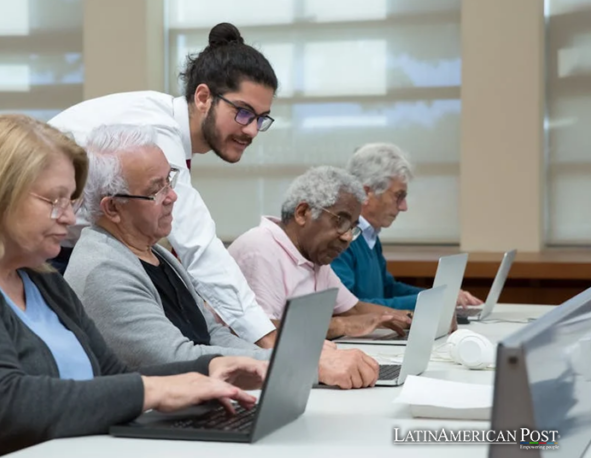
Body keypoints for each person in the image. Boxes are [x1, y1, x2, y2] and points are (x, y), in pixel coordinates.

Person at [0, 114, 268, 458]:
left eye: (71, 200)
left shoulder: (41, 279)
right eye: (54, 200)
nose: (69, 216)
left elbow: (111, 375)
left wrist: (207, 368)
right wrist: (150, 393)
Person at [63, 124, 380, 389]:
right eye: (156, 189)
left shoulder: (157, 254)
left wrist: (294, 357)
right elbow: (176, 357)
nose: (172, 196)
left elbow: (211, 332)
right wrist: (301, 365)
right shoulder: (102, 270)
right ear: (113, 208)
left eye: (169, 180)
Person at [48, 22, 279, 348]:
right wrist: (270, 340)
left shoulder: (166, 126)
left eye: (261, 118)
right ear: (203, 97)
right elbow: (199, 247)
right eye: (243, 113)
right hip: (37, 256)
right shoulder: (153, 131)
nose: (252, 130)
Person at [229, 167, 414, 340]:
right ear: (302, 213)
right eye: (341, 222)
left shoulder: (313, 255)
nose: (348, 237)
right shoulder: (260, 250)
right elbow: (262, 334)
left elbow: (354, 309)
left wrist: (408, 319)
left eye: (352, 228)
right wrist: (340, 325)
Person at [332, 143, 483, 310]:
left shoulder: (369, 234)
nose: (404, 207)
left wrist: (439, 295)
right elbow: (351, 307)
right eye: (398, 196)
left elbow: (388, 289)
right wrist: (432, 301)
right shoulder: (341, 238)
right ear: (367, 193)